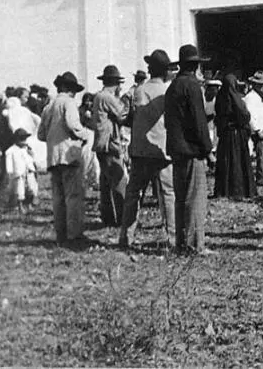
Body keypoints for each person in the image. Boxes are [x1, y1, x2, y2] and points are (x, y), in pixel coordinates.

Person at [120, 49, 176, 249]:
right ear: (166, 71)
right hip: (161, 149)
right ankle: (173, 237)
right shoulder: (167, 92)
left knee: (133, 194)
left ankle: (126, 237)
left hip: (140, 150)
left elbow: (127, 117)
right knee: (168, 194)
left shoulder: (138, 91)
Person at [165, 44, 215, 256]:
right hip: (192, 151)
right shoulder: (192, 86)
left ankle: (181, 242)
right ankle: (195, 245)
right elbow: (199, 121)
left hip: (176, 150)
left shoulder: (173, 87)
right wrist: (208, 151)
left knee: (181, 198)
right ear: (195, 67)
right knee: (196, 198)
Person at [38, 71, 92, 245]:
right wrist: (87, 135)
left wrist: (54, 138)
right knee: (73, 196)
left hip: (53, 157)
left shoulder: (49, 105)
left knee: (58, 198)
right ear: (69, 89)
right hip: (69, 155)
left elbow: (40, 134)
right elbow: (73, 125)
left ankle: (61, 234)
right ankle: (74, 234)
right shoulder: (68, 103)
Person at [91, 65, 130, 228]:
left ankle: (108, 217)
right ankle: (122, 218)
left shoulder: (98, 97)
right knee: (119, 181)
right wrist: (128, 101)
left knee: (106, 184)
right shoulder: (107, 97)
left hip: (101, 144)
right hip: (110, 144)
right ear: (116, 83)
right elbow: (123, 114)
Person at [213, 74, 256, 199]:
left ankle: (224, 190)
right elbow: (244, 115)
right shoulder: (236, 98)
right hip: (236, 134)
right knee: (238, 162)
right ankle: (239, 189)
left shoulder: (220, 98)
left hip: (225, 134)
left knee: (226, 162)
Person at [246, 71, 263, 189]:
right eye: (260, 84)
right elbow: (250, 115)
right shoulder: (251, 98)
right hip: (259, 129)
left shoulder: (260, 97)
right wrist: (257, 130)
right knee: (262, 154)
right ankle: (261, 180)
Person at [4, 128, 38, 213]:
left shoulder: (27, 149)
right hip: (18, 173)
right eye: (21, 139)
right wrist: (10, 172)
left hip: (29, 172)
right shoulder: (11, 151)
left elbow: (31, 160)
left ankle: (29, 204)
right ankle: (20, 206)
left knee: (31, 188)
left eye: (24, 139)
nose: (23, 141)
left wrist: (33, 167)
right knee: (19, 190)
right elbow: (9, 163)